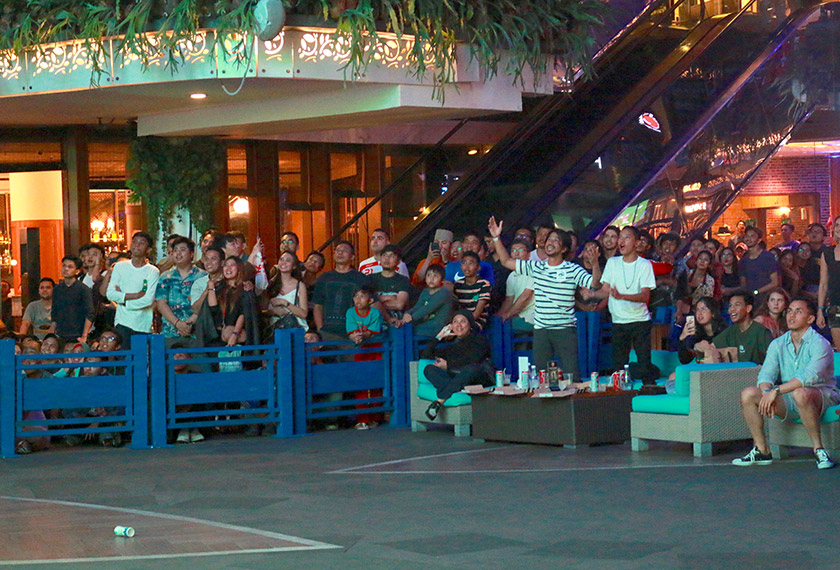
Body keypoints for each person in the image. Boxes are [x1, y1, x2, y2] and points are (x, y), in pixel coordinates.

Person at [733, 297, 840, 469]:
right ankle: (762, 450)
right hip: (790, 397)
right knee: (749, 394)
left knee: (801, 392)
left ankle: (819, 450)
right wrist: (767, 391)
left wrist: (777, 391)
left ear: (810, 319)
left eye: (798, 311)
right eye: (789, 310)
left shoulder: (820, 343)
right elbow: (766, 375)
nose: (791, 315)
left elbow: (808, 377)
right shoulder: (778, 343)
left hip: (823, 395)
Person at [489, 217, 599, 376]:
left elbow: (595, 285)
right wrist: (496, 238)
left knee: (571, 375)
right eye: (549, 239)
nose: (550, 242)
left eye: (556, 240)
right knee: (542, 376)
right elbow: (506, 261)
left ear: (564, 249)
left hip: (565, 329)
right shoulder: (536, 267)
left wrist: (595, 264)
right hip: (541, 330)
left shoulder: (573, 269)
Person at [589, 226, 656, 382]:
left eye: (626, 237)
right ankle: (621, 396)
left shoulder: (644, 264)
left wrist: (622, 296)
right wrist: (592, 294)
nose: (621, 241)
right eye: (620, 237)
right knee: (619, 364)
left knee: (644, 362)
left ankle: (649, 392)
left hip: (640, 321)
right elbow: (606, 289)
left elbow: (645, 295)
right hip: (618, 321)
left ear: (637, 243)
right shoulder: (613, 262)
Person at [420, 310, 493, 420]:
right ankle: (457, 388)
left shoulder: (480, 339)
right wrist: (439, 336)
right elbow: (425, 355)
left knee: (472, 368)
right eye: (455, 322)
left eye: (463, 321)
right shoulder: (451, 347)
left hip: (479, 378)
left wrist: (448, 365)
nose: (458, 325)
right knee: (428, 369)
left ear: (470, 325)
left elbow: (473, 359)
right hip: (460, 381)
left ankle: (440, 401)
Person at [106, 232, 160, 347]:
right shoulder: (120, 267)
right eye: (134, 241)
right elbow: (110, 294)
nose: (137, 245)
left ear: (149, 249)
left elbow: (148, 300)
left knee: (142, 361)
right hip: (122, 322)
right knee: (123, 359)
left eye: (142, 243)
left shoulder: (152, 271)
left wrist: (123, 301)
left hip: (143, 324)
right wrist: (135, 295)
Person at [313, 240, 370, 341]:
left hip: (352, 333)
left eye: (344, 250)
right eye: (337, 250)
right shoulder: (324, 278)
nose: (340, 253)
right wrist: (320, 328)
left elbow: (370, 304)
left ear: (352, 257)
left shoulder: (361, 278)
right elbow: (318, 305)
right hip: (327, 332)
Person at [155, 236, 206, 347]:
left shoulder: (203, 276)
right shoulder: (165, 277)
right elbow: (161, 304)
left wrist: (188, 324)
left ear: (191, 254)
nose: (178, 253)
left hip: (197, 332)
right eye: (175, 250)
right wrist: (178, 324)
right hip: (170, 332)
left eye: (182, 250)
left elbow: (205, 303)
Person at [699, 290, 772, 365]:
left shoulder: (761, 332)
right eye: (730, 306)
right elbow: (711, 346)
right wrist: (698, 346)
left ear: (748, 308)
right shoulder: (731, 330)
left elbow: (773, 361)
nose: (731, 310)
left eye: (737, 305)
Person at [208, 256, 259, 347]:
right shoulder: (220, 287)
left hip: (238, 336)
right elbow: (213, 307)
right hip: (219, 335)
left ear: (239, 268)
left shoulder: (245, 289)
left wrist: (234, 334)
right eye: (226, 265)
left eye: (232, 265)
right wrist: (211, 287)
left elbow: (243, 313)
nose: (228, 268)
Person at [399, 264, 455, 337]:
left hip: (439, 325)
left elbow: (427, 308)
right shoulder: (425, 292)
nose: (431, 279)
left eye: (435, 276)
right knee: (403, 328)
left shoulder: (444, 293)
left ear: (442, 279)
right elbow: (418, 306)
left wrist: (410, 318)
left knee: (410, 330)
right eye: (429, 275)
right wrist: (407, 314)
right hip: (427, 322)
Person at [51, 255, 93, 345]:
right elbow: (54, 312)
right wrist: (52, 332)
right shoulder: (57, 289)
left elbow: (89, 313)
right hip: (60, 333)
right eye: (64, 266)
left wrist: (84, 335)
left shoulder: (83, 289)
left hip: (77, 333)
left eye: (70, 267)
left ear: (77, 271)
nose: (65, 269)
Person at [496, 239, 535, 333]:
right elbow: (509, 300)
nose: (516, 253)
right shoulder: (512, 275)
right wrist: (499, 315)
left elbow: (525, 297)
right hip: (518, 314)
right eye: (513, 250)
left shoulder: (533, 270)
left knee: (506, 326)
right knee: (496, 323)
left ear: (529, 254)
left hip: (533, 314)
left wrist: (508, 314)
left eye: (521, 250)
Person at [369, 244, 412, 326]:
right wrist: (387, 298)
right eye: (384, 255)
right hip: (375, 323)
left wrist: (377, 302)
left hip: (397, 323)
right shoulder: (370, 278)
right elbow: (367, 303)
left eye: (391, 256)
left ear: (399, 261)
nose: (387, 258)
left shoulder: (403, 280)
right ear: (380, 258)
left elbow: (399, 305)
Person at [676, 297, 726, 364]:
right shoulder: (696, 334)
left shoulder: (723, 331)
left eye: (703, 309)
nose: (699, 313)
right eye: (697, 310)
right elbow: (684, 360)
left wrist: (704, 347)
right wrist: (682, 337)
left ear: (713, 313)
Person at [266, 251, 308, 331]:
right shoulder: (271, 283)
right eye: (281, 259)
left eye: (288, 260)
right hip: (274, 329)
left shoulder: (299, 285)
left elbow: (303, 314)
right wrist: (273, 312)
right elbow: (262, 309)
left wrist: (284, 303)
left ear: (294, 266)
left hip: (295, 329)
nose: (283, 262)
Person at [739, 226, 779, 306]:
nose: (748, 238)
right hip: (750, 301)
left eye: (752, 236)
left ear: (759, 240)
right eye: (747, 236)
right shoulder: (743, 260)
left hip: (765, 300)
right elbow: (743, 283)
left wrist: (756, 292)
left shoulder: (767, 256)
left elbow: (775, 282)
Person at [453, 251, 491, 331]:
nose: (466, 267)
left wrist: (462, 324)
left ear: (478, 267)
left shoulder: (484, 284)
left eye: (471, 263)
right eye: (464, 263)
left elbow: (477, 313)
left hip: (476, 321)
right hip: (460, 321)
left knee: (462, 332)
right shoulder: (457, 284)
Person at [817, 215, 840, 347]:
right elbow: (823, 284)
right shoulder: (827, 253)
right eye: (837, 225)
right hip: (835, 305)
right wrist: (820, 309)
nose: (839, 228)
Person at [676, 250, 719, 319]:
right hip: (681, 308)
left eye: (706, 260)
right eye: (700, 258)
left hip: (699, 312)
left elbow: (707, 301)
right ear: (696, 261)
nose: (702, 261)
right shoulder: (686, 275)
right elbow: (679, 293)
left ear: (709, 264)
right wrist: (679, 310)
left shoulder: (710, 281)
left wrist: (691, 309)